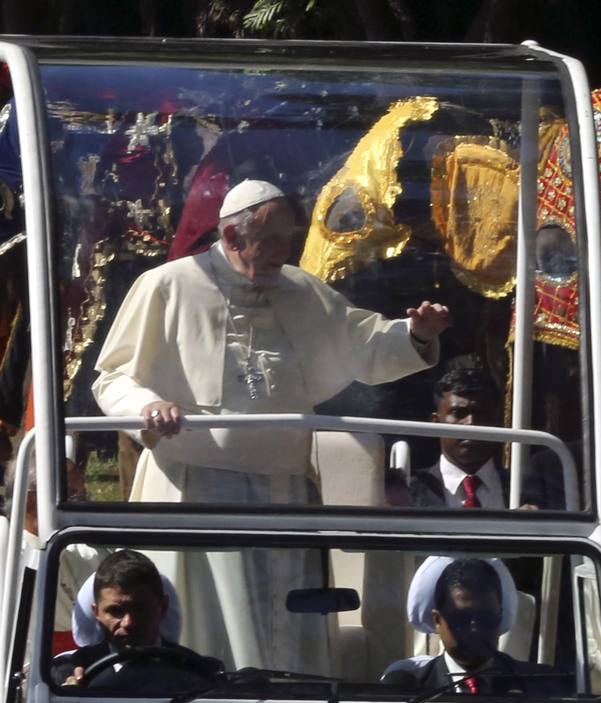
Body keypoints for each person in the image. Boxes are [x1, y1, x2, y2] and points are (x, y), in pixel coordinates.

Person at [90, 179, 451, 672]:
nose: (285, 251)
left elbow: (362, 343)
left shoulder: (300, 289)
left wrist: (415, 334)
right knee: (208, 630)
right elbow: (113, 377)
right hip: (198, 488)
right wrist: (149, 404)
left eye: (289, 239)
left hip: (284, 495)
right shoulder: (169, 285)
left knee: (287, 635)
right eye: (272, 240)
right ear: (232, 237)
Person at [381, 556, 563, 699]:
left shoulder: (544, 686)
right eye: (462, 617)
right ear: (437, 620)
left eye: (486, 617)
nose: (475, 628)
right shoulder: (404, 690)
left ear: (500, 617)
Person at [52, 550, 221, 692]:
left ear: (163, 607)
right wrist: (69, 698)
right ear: (96, 613)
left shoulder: (201, 672)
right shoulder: (66, 672)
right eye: (115, 611)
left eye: (140, 609)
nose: (128, 622)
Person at [408, 366, 506, 509]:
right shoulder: (409, 490)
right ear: (435, 422)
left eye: (482, 413)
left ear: (498, 422)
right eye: (459, 413)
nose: (471, 423)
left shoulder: (525, 489)